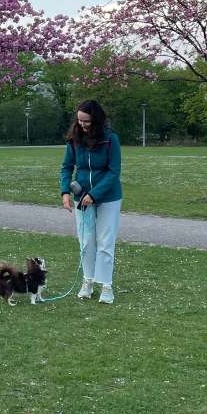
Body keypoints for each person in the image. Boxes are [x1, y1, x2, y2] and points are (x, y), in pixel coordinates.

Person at [60, 99, 122, 305]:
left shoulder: (111, 139)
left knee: (105, 242)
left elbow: (114, 171)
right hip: (82, 197)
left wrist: (94, 194)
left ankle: (106, 285)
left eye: (86, 121)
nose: (82, 125)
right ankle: (87, 281)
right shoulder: (74, 139)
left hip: (108, 198)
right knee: (86, 242)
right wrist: (65, 192)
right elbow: (66, 167)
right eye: (79, 121)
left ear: (96, 120)